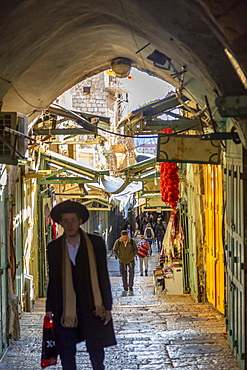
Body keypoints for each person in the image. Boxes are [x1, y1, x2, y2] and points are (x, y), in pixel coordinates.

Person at [46, 200, 116, 370]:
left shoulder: (96, 243)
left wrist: (107, 307)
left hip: (93, 306)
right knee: (67, 354)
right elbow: (53, 279)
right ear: (61, 223)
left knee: (96, 353)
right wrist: (49, 309)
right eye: (66, 221)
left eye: (73, 220)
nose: (70, 225)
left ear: (80, 222)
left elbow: (102, 276)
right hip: (65, 308)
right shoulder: (54, 248)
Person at [113, 230, 138, 296]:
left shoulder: (131, 242)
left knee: (131, 272)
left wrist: (131, 255)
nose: (125, 238)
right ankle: (125, 286)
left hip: (130, 260)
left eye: (126, 237)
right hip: (122, 260)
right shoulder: (118, 242)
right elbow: (114, 250)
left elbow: (136, 249)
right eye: (124, 237)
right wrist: (119, 257)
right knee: (123, 273)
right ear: (121, 236)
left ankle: (130, 285)